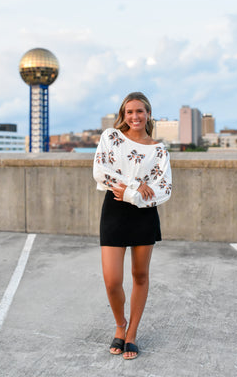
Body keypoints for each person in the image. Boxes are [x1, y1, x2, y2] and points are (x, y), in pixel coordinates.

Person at [93, 92, 172, 360]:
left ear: (148, 114)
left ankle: (132, 333)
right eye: (129, 112)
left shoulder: (159, 150)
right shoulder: (110, 137)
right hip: (114, 209)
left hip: (145, 214)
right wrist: (138, 187)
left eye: (140, 111)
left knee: (140, 275)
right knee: (112, 280)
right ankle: (119, 323)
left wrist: (130, 192)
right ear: (123, 114)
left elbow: (163, 190)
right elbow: (101, 172)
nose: (135, 117)